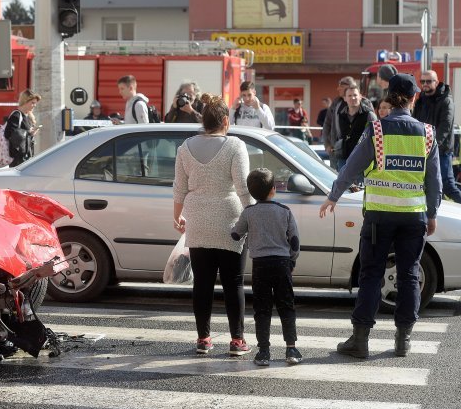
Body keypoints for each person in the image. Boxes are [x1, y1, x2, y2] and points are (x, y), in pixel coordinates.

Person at [318, 74, 441, 359]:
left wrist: (333, 196)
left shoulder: (377, 129)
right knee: (409, 275)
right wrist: (431, 214)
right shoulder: (428, 133)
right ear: (414, 98)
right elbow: (434, 181)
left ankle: (360, 340)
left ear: (390, 95)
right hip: (413, 217)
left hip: (379, 218)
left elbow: (351, 167)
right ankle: (403, 340)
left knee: (371, 275)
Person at [172, 95, 254, 356]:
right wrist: (254, 216)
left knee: (203, 283)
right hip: (231, 221)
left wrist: (178, 217)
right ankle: (237, 340)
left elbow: (179, 189)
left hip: (196, 220)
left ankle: (203, 338)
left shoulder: (185, 147)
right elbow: (243, 188)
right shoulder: (235, 146)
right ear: (226, 121)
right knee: (234, 282)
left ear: (203, 121)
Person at [231, 168, 302, 366]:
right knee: (286, 306)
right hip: (282, 264)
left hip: (260, 266)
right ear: (273, 190)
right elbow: (294, 241)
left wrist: (232, 231)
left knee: (262, 308)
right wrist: (292, 260)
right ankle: (291, 349)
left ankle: (263, 351)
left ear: (251, 192)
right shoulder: (284, 211)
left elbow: (236, 234)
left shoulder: (249, 213)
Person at [413, 69, 461, 203]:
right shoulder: (421, 100)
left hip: (441, 151)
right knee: (426, 185)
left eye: (429, 81)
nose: (425, 84)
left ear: (437, 82)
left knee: (448, 186)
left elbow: (445, 128)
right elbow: (415, 122)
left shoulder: (446, 100)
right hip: (422, 151)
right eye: (423, 81)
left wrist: (432, 146)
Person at [335, 84, 376, 170]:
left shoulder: (369, 115)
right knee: (342, 183)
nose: (353, 98)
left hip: (362, 159)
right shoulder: (340, 115)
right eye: (349, 95)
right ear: (345, 98)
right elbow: (338, 134)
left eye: (355, 95)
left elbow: (376, 136)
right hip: (344, 158)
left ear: (360, 97)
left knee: (361, 183)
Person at [323, 76, 355, 168]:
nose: (338, 88)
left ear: (348, 86)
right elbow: (327, 124)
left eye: (340, 86)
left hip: (354, 152)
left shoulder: (363, 103)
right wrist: (327, 144)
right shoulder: (336, 103)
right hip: (336, 151)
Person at [4, 89, 41, 167]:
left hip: (26, 157)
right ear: (25, 102)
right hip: (17, 160)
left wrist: (31, 134)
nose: (35, 105)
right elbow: (8, 134)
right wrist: (28, 132)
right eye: (32, 103)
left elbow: (24, 135)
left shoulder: (28, 116)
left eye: (35, 103)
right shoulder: (16, 115)